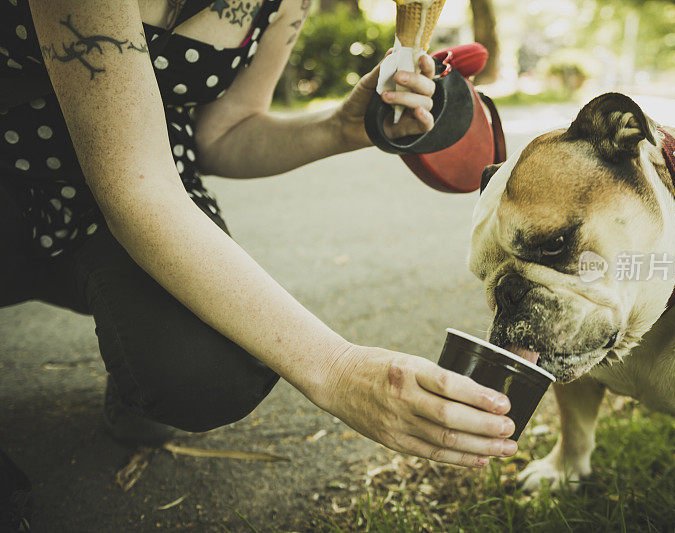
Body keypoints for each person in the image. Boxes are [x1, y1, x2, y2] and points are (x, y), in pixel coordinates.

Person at [1, 0, 518, 528]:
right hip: (19, 182)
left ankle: (129, 350)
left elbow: (221, 136)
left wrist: (342, 127)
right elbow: (137, 190)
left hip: (138, 195)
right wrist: (337, 369)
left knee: (209, 372)